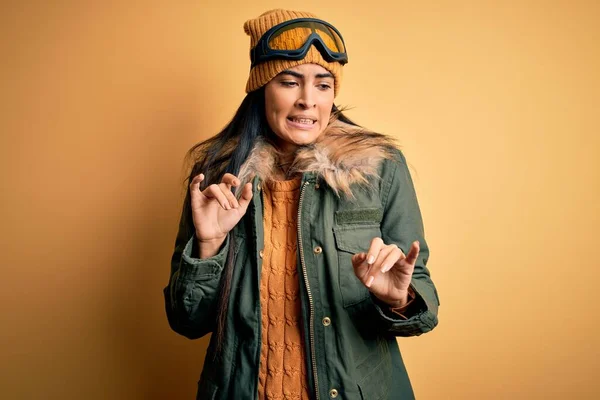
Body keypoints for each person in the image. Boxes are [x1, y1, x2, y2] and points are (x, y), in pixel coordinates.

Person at [164, 9, 440, 400]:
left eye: (323, 85)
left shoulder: (379, 169)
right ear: (261, 88)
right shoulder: (216, 176)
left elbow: (424, 308)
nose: (308, 101)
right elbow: (186, 321)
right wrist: (208, 246)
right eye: (289, 82)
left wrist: (400, 299)